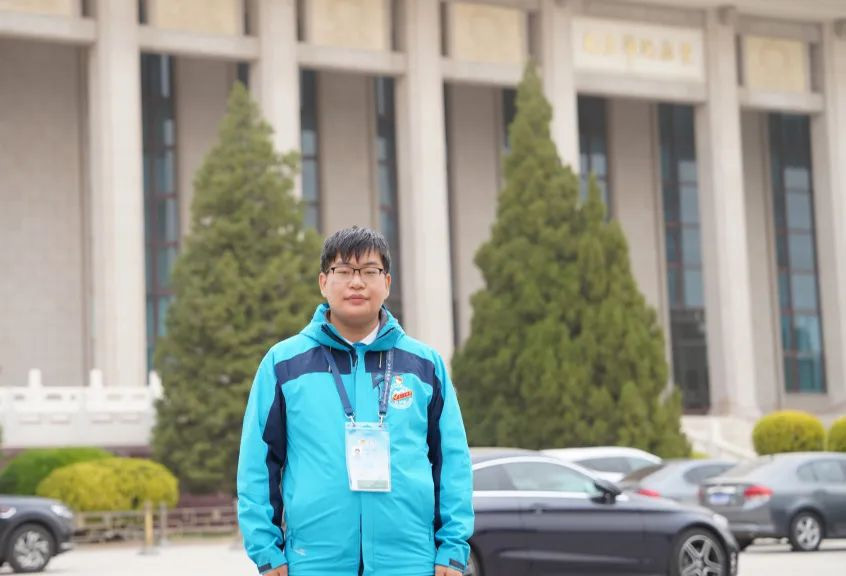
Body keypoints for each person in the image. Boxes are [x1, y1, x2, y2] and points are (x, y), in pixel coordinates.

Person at [237, 226, 474, 576]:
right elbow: (258, 463)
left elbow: (451, 461)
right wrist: (267, 551)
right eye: (344, 271)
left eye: (369, 271)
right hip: (314, 562)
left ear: (387, 283)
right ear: (323, 282)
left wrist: (452, 549)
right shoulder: (284, 363)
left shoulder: (424, 365)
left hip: (410, 562)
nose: (357, 282)